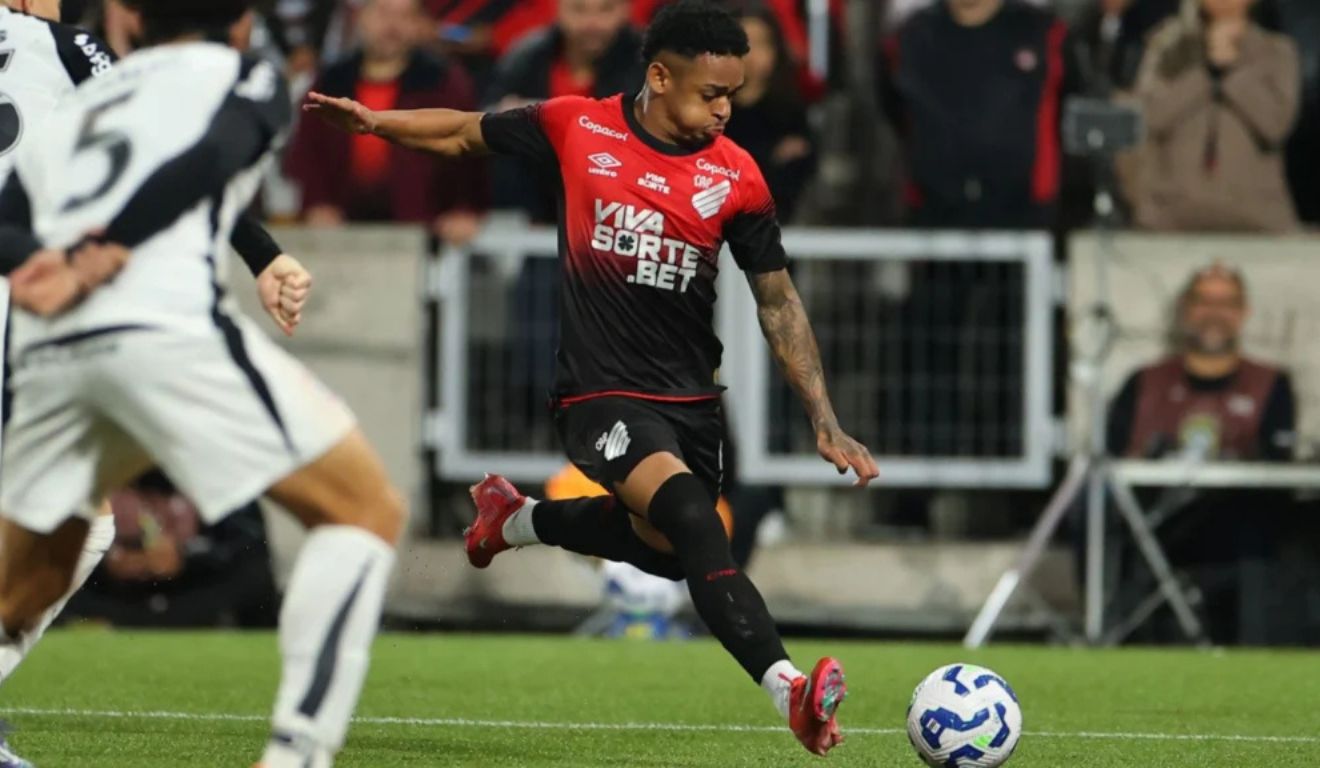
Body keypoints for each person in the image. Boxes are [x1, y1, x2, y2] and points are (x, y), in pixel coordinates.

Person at [305, 0, 876, 755]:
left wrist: (823, 418)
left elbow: (777, 300)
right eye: (712, 93)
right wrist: (379, 124)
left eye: (733, 94)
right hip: (596, 394)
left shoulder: (736, 175)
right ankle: (790, 692)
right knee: (697, 522)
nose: (726, 109)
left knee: (669, 549)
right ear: (661, 76)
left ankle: (513, 520)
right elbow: (462, 133)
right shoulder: (580, 126)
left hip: (691, 402)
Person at [0, 1, 405, 766]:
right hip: (160, 331)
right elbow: (218, 152)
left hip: (51, 347)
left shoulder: (95, 87)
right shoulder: (240, 71)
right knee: (363, 510)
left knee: (39, 570)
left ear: (132, 17)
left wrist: (39, 261)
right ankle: (298, 754)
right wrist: (110, 247)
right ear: (246, 23)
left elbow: (9, 210)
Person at [1106, 264, 1295, 643]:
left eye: (1226, 302)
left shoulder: (1271, 383)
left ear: (1243, 312)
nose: (1214, 312)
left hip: (1234, 522)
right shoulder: (1144, 383)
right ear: (1186, 310)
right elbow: (1112, 460)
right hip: (1154, 520)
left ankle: (1259, 649)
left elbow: (1280, 465)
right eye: (1204, 301)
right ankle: (1113, 635)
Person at [285, 0, 485, 245]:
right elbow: (308, 153)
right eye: (383, 13)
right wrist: (317, 204)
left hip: (423, 229)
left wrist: (465, 209)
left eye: (404, 17)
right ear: (362, 18)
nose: (392, 26)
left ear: (418, 24)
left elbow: (472, 153)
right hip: (340, 231)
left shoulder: (444, 83)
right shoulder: (331, 82)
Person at [1129, 0, 1301, 232]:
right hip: (1171, 212)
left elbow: (1275, 124)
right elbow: (1149, 116)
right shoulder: (1167, 46)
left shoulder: (1275, 51)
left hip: (1256, 214)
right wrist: (1204, 72)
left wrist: (1230, 72)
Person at [725, 5, 814, 222]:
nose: (751, 55)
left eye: (761, 43)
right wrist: (770, 157)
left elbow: (795, 177)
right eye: (743, 44)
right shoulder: (707, 113)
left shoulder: (790, 112)